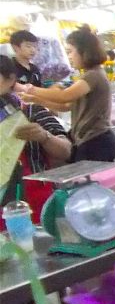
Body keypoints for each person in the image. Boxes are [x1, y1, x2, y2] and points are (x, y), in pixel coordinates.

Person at [16, 26, 115, 162]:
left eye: (70, 52)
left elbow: (64, 96)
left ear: (84, 52)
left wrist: (29, 89)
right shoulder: (89, 75)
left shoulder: (93, 76)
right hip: (88, 140)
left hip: (97, 140)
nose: (69, 57)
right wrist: (36, 99)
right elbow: (66, 105)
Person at [0, 55, 72, 215]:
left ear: (10, 79)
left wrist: (44, 136)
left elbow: (66, 150)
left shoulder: (31, 111)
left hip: (35, 202)